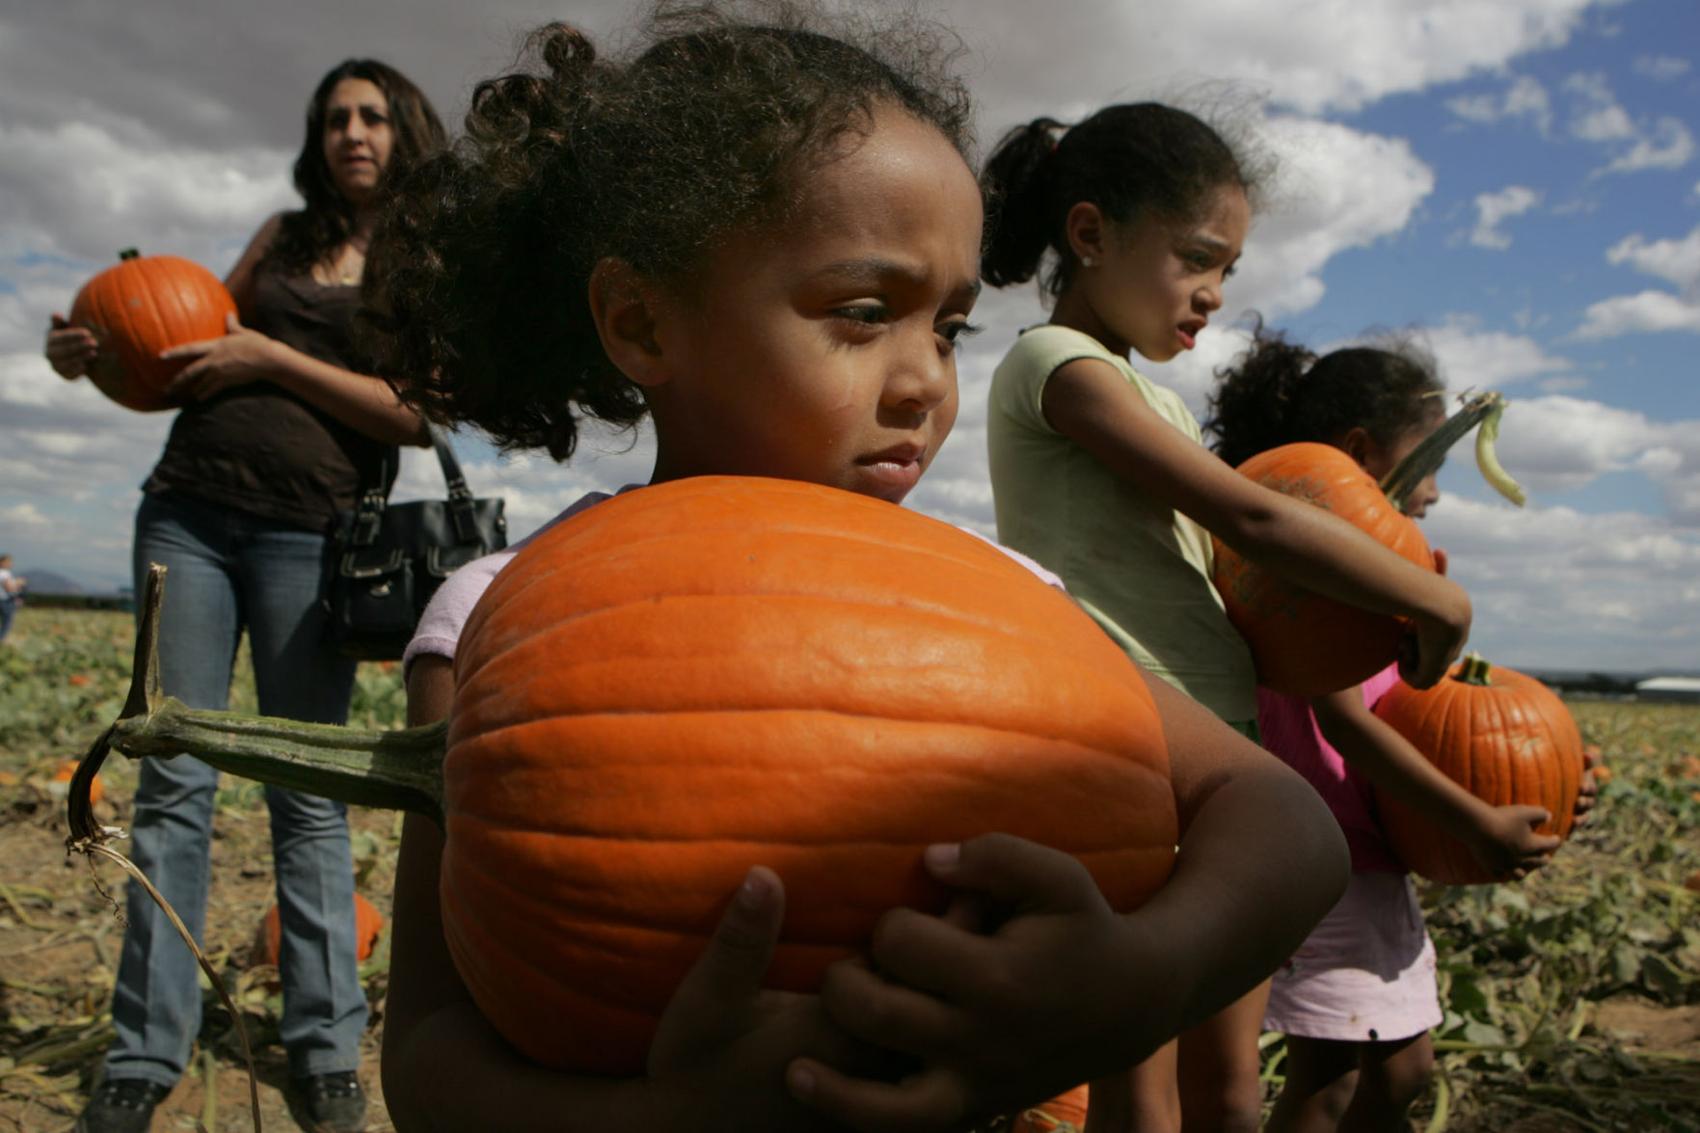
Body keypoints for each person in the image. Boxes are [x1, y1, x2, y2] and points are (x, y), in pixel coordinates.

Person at [362, 9, 1349, 1131]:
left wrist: (1145, 975)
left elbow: (1279, 815)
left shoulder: (989, 595)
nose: (923, 379)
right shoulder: (499, 615)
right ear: (640, 321)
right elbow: (430, 1062)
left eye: (950, 328)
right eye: (865, 312)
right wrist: (672, 1114)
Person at [977, 105, 1474, 1132]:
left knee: (1224, 1068)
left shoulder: (1150, 399)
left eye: (1227, 271)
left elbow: (1233, 581)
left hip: (1213, 738)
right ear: (1089, 234)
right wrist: (1423, 590)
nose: (1212, 292)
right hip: (1128, 730)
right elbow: (1245, 514)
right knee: (1138, 1070)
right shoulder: (1055, 369)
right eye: (1196, 258)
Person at [44, 59, 444, 1133]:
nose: (349, 132)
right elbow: (181, 354)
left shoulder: (426, 260)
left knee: (304, 789)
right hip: (187, 507)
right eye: (332, 119)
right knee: (169, 774)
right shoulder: (281, 235)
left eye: (369, 115)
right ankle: (144, 1047)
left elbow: (415, 415)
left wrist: (273, 353)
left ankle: (321, 1045)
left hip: (312, 533)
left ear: (406, 128)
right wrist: (88, 360)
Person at [1208, 329, 1595, 1132]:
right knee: (1340, 1079)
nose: (1437, 496)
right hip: (1321, 849)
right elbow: (1345, 720)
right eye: (1433, 467)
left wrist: (1545, 769)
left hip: (1363, 847)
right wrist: (1475, 819)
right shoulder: (1327, 571)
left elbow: (1430, 707)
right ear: (1361, 451)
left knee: (1392, 1072)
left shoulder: (1388, 566)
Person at [0, 553, 24, 643]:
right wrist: (19, 583)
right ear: (2, 562)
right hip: (5, 601)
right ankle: (1, 641)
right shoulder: (5, 573)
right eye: (9, 562)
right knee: (6, 623)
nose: (11, 564)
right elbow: (9, 588)